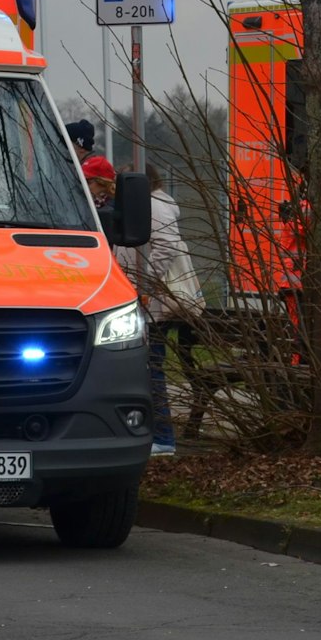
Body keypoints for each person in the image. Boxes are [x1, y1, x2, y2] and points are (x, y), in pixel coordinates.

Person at [120, 165, 205, 456]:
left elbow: (165, 246)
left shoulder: (153, 206)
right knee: (148, 367)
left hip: (151, 302)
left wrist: (143, 282)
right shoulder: (157, 205)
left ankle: (163, 436)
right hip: (149, 300)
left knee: (150, 367)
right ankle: (158, 434)